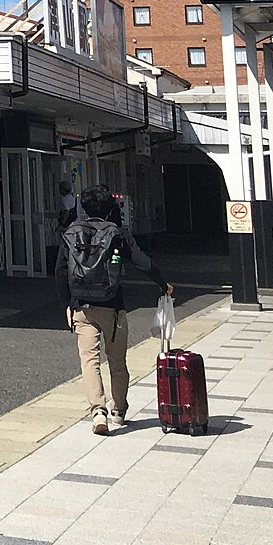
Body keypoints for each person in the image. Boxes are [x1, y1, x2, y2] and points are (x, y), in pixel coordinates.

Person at [57, 184, 172, 434]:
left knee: (89, 360)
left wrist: (67, 302)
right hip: (113, 306)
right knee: (117, 360)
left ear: (83, 207)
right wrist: (163, 285)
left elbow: (61, 271)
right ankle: (118, 410)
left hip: (82, 307)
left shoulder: (71, 233)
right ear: (110, 207)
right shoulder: (118, 234)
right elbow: (144, 263)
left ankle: (98, 411)